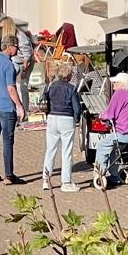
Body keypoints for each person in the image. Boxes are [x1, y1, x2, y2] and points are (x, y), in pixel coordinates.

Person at [39, 62, 84, 191]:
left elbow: (44, 101)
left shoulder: (50, 86)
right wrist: (77, 119)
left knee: (50, 150)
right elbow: (76, 107)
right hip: (67, 119)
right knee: (67, 152)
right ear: (68, 75)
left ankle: (46, 180)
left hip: (52, 118)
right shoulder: (71, 88)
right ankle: (66, 182)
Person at [0, 35, 24, 184]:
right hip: (6, 108)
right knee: (7, 141)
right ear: (10, 47)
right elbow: (11, 88)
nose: (17, 50)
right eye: (16, 47)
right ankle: (9, 175)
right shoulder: (8, 65)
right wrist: (20, 106)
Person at [1, 17, 36, 112]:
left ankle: (24, 109)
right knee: (12, 84)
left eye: (2, 28)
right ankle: (14, 107)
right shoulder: (8, 37)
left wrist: (24, 69)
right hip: (14, 61)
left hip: (24, 62)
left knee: (22, 86)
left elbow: (27, 54)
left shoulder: (21, 37)